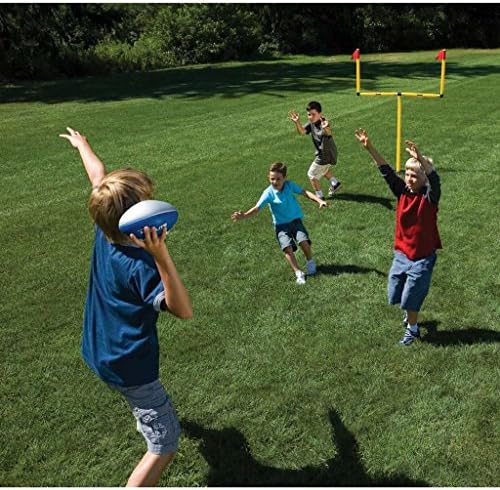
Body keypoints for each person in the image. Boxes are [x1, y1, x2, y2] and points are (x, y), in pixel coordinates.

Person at [59, 127, 192, 486]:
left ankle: (142, 410)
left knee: (142, 405)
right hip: (130, 364)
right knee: (164, 443)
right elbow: (182, 309)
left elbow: (97, 177)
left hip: (98, 347)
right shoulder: (140, 265)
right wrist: (161, 256)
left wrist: (82, 145)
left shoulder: (104, 230)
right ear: (139, 220)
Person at [354, 128, 442, 346]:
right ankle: (409, 311)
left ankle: (413, 328)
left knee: (410, 297)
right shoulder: (402, 191)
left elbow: (435, 180)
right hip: (402, 253)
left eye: (415, 176)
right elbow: (386, 171)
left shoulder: (429, 198)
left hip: (422, 256)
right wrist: (369, 147)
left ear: (424, 179)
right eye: (407, 174)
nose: (409, 179)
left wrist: (421, 159)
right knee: (395, 292)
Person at [231, 161, 327, 284]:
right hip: (281, 226)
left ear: (284, 178)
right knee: (287, 248)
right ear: (268, 177)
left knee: (304, 242)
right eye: (272, 179)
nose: (275, 182)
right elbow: (257, 208)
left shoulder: (289, 185)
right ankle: (298, 272)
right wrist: (244, 215)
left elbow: (304, 192)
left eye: (278, 179)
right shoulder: (268, 193)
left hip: (296, 221)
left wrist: (319, 200)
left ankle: (310, 262)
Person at [288, 101, 342, 199]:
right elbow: (302, 132)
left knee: (311, 174)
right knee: (322, 169)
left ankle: (319, 197)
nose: (311, 117)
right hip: (328, 153)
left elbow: (328, 133)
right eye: (309, 114)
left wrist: (326, 128)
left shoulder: (323, 123)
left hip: (325, 154)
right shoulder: (312, 123)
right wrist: (297, 122)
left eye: (313, 114)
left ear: (320, 114)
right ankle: (335, 183)